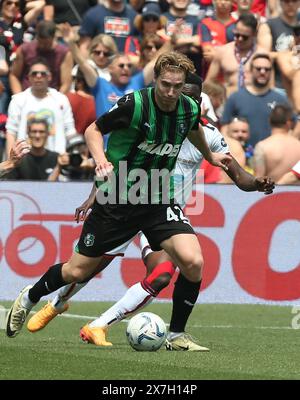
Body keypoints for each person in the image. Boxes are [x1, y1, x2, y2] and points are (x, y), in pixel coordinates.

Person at [25, 73, 275, 351]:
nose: (182, 101)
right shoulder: (152, 120)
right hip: (126, 200)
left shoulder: (209, 135)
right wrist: (94, 196)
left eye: (190, 97)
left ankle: (104, 325)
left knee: (167, 272)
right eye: (181, 95)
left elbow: (237, 174)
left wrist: (257, 183)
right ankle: (55, 304)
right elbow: (120, 160)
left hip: (162, 209)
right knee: (85, 268)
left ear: (199, 101)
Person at [5, 58, 76, 156]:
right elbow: (11, 132)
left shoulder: (61, 99)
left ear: (49, 77)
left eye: (43, 74)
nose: (38, 76)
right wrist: (11, 161)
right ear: (28, 77)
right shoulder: (18, 100)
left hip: (56, 158)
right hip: (25, 160)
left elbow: (70, 131)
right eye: (34, 73)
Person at [220, 53, 290, 146]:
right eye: (258, 68)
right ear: (250, 71)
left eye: (267, 69)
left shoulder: (280, 99)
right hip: (242, 155)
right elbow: (225, 128)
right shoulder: (235, 97)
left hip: (272, 154)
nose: (262, 72)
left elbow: (292, 126)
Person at [9, 20, 74, 94]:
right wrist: (18, 97)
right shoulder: (24, 49)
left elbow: (66, 83)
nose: (43, 46)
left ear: (53, 38)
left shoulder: (64, 53)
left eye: (46, 43)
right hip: (27, 96)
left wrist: (57, 101)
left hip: (51, 98)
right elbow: (14, 75)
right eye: (40, 42)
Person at [253, 104, 300, 181]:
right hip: (296, 192)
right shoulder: (298, 145)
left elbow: (259, 180)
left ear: (269, 121)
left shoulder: (262, 146)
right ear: (289, 123)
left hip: (273, 192)